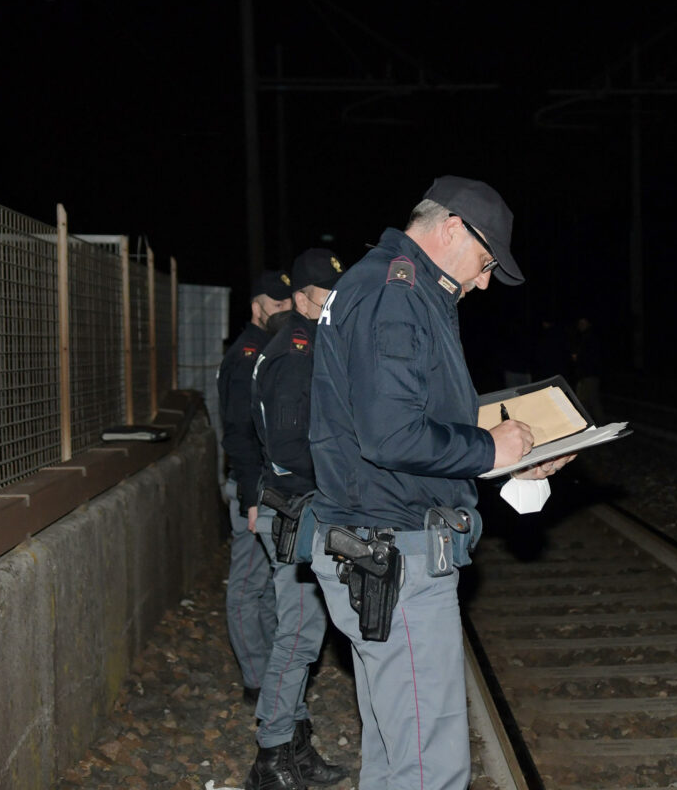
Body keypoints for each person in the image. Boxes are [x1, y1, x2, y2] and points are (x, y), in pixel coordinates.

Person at [304, 176, 572, 790]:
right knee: (429, 764)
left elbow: (413, 420)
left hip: (377, 544)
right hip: (394, 551)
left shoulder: (398, 288)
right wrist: (486, 448)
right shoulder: (396, 294)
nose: (483, 282)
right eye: (484, 263)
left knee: (395, 756)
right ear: (452, 226)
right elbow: (391, 434)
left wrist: (507, 458)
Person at [245, 250, 347, 788]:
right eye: (327, 291)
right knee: (300, 635)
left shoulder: (308, 344)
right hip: (295, 509)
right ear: (305, 296)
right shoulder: (297, 351)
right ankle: (270, 757)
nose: (336, 299)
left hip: (297, 507)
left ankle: (295, 748)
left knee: (305, 632)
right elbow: (289, 445)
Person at [216, 270, 290, 705]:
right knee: (248, 584)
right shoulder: (247, 355)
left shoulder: (271, 349)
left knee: (266, 585)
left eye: (287, 302)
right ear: (256, 307)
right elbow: (239, 432)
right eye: (274, 303)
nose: (282, 309)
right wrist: (249, 496)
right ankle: (256, 681)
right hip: (252, 489)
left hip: (264, 486)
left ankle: (269, 674)